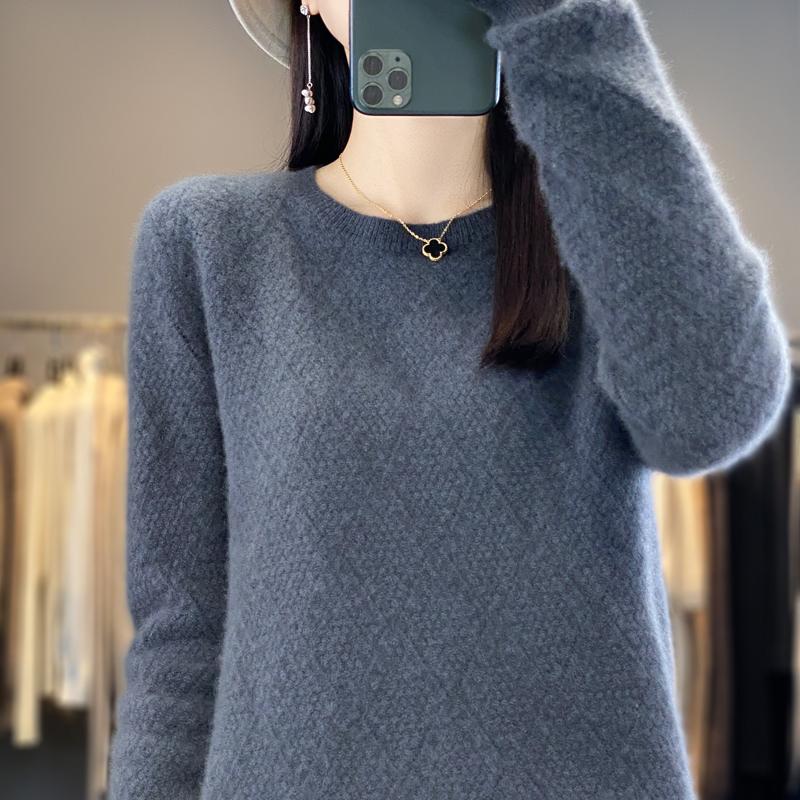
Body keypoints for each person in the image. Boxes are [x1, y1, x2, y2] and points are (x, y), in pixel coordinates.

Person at [107, 1, 792, 798]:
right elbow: (184, 635)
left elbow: (713, 414)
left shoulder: (606, 245)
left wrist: (558, 18)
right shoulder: (207, 244)